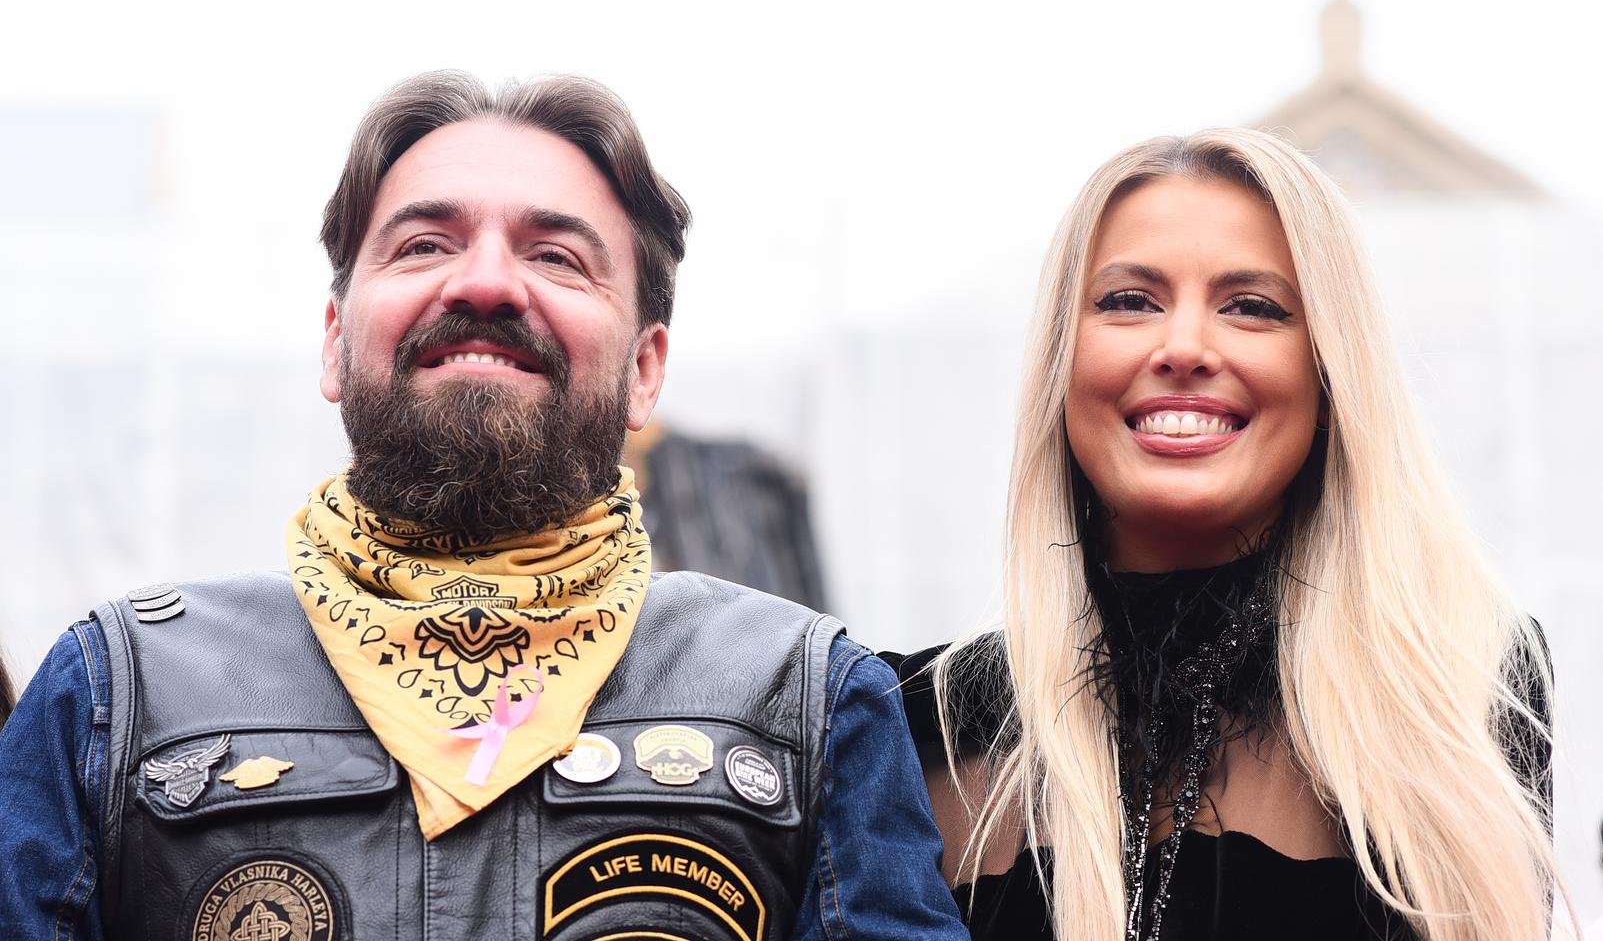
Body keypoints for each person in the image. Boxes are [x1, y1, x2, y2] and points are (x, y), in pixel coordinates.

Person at [0, 72, 967, 941]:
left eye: (556, 256)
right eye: (425, 244)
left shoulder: (807, 698)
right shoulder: (116, 692)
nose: (488, 282)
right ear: (334, 342)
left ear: (644, 370)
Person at [891, 129, 1567, 940]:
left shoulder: (1459, 679)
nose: (1182, 348)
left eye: (1251, 307)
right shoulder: (912, 722)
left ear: (1330, 377)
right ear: (1059, 363)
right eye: (1129, 300)